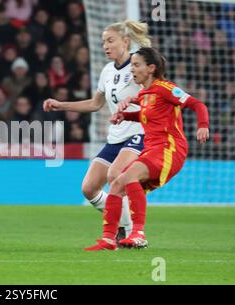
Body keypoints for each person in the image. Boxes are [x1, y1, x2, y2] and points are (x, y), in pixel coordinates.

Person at [84, 47, 209, 251]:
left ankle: (138, 234)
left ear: (151, 68)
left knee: (127, 176)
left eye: (136, 65)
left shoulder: (165, 88)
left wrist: (203, 125)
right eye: (131, 65)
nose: (132, 69)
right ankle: (108, 239)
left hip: (169, 148)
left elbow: (197, 104)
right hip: (152, 149)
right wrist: (125, 116)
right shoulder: (144, 94)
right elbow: (145, 116)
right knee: (117, 185)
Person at [44, 20, 152, 240]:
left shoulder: (137, 64)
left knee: (116, 176)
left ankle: (134, 234)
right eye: (103, 42)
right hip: (115, 138)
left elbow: (156, 94)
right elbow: (95, 104)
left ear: (125, 41)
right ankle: (123, 224)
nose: (106, 46)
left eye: (110, 40)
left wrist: (138, 101)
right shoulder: (107, 70)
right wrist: (62, 105)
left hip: (139, 133)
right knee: (89, 188)